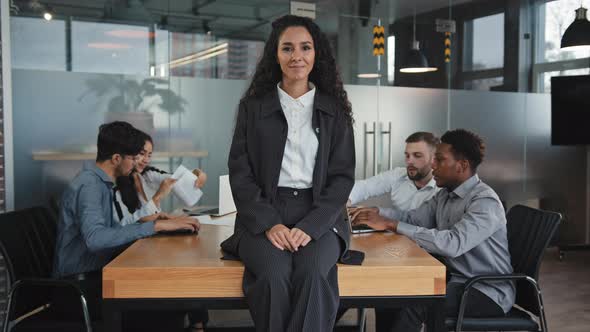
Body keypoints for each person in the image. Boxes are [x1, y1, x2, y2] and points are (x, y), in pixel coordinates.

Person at [220, 14, 355, 332]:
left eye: (305, 47)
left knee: (312, 274)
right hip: (265, 210)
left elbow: (342, 177)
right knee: (272, 275)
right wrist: (269, 223)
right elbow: (240, 172)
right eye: (288, 48)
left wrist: (312, 225)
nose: (297, 56)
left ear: (316, 53)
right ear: (275, 55)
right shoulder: (253, 107)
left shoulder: (334, 110)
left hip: (320, 213)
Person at [352, 129, 515, 331]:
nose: (433, 165)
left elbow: (452, 243)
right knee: (391, 293)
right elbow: (412, 218)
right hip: (455, 280)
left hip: (485, 290)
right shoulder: (445, 195)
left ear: (462, 165)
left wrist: (390, 224)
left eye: (439, 160)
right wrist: (377, 214)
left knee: (419, 302)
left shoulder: (484, 201)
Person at [52, 121, 199, 324]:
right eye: (132, 157)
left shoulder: (99, 182)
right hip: (79, 289)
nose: (136, 162)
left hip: (93, 275)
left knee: (170, 289)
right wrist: (153, 226)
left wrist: (147, 220)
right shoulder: (90, 186)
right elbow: (95, 239)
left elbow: (108, 231)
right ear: (116, 158)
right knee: (167, 304)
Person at [113, 130, 209, 331]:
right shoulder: (117, 186)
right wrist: (157, 199)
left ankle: (198, 324)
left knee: (189, 259)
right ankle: (195, 323)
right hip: (134, 251)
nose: (144, 159)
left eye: (149, 154)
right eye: (140, 153)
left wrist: (197, 175)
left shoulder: (147, 175)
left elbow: (176, 179)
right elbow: (124, 224)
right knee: (181, 266)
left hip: (150, 242)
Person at [114, 130, 207, 226]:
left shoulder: (147, 174)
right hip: (140, 238)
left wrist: (197, 173)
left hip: (155, 234)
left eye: (149, 155)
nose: (146, 160)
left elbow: (176, 177)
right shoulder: (115, 187)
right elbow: (123, 226)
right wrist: (157, 197)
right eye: (142, 153)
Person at [348, 131, 440, 224]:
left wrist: (380, 212)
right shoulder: (398, 175)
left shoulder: (442, 188)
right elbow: (365, 187)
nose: (409, 161)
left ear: (434, 159)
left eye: (417, 155)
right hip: (397, 236)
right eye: (407, 155)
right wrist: (346, 199)